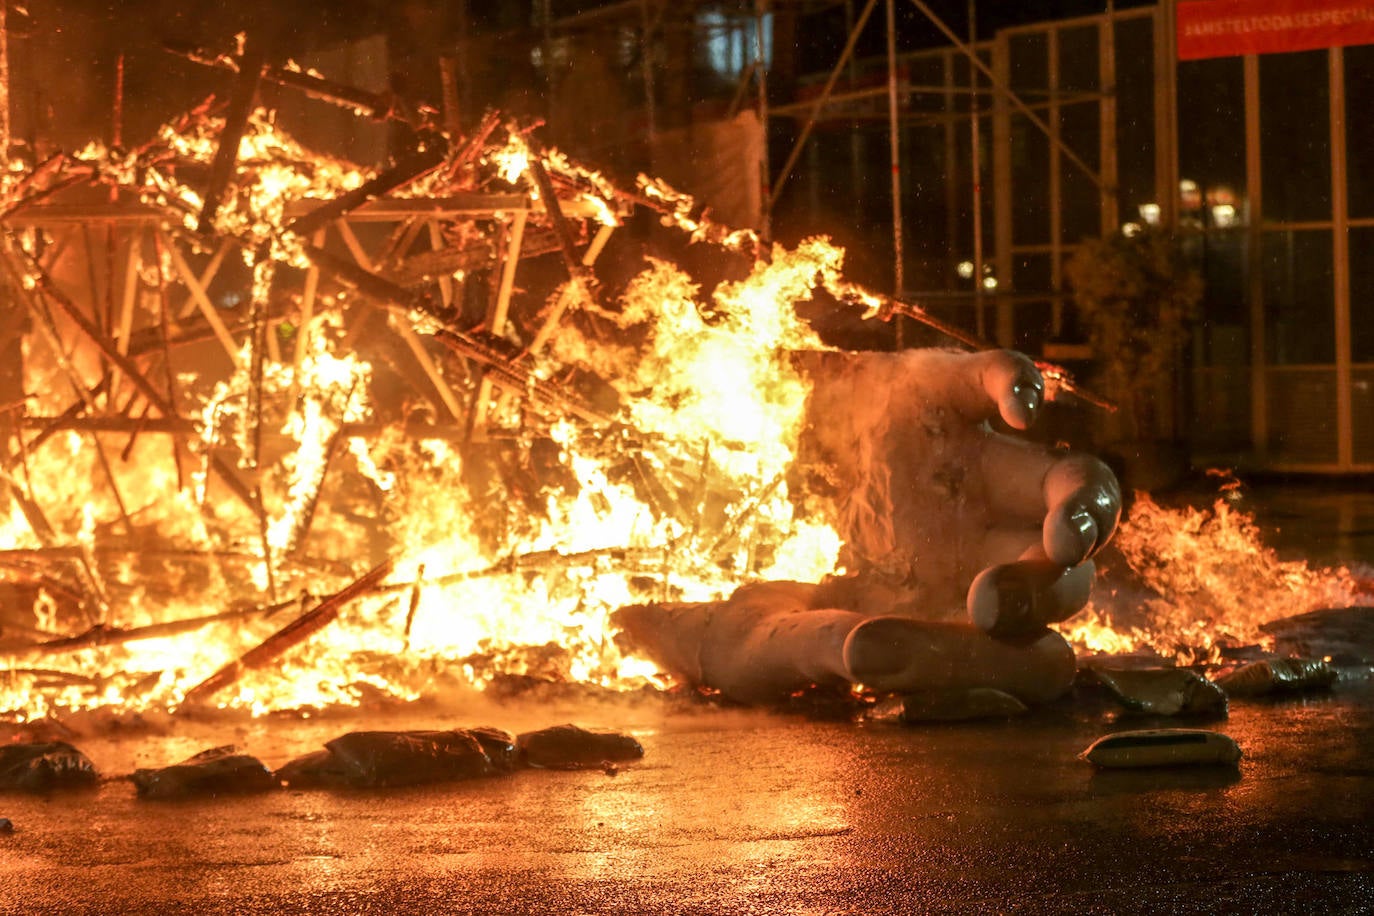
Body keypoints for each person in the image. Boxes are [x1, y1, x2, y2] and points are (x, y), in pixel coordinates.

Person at [614, 347, 1121, 705]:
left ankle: (985, 659)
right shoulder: (708, 390)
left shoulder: (900, 408)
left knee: (1038, 647)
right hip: (779, 608)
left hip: (796, 609)